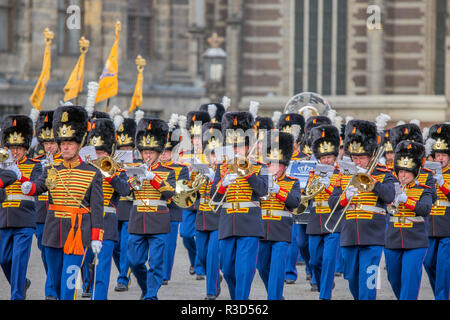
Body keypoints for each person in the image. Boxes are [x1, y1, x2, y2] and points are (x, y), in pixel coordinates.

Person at [21, 105, 104, 300]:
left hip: (77, 234)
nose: (65, 147)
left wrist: (96, 236)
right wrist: (28, 186)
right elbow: (39, 186)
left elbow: (97, 208)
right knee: (52, 283)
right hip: (53, 230)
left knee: (69, 281)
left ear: (79, 144)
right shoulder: (51, 168)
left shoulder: (93, 172)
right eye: (63, 143)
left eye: (71, 143)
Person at [328, 119, 395, 300]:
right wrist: (345, 196)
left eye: (362, 158)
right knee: (352, 278)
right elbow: (332, 203)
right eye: (355, 158)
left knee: (370, 281)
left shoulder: (383, 172)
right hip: (349, 233)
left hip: (373, 234)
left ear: (371, 155)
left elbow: (390, 196)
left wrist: (372, 182)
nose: (358, 162)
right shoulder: (344, 174)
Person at [210, 111, 268, 300]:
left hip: (250, 224)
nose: (236, 150)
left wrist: (248, 173)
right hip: (228, 224)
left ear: (249, 147)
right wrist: (223, 184)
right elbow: (214, 199)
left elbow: (263, 191)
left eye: (240, 147)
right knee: (227, 269)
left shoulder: (260, 166)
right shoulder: (222, 167)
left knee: (244, 271)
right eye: (233, 146)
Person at [82, 118, 131, 300]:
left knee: (102, 269)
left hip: (107, 224)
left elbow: (125, 190)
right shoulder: (84, 168)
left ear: (109, 150)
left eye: (102, 151)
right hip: (86, 222)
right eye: (95, 152)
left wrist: (109, 175)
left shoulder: (117, 169)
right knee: (86, 264)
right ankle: (86, 288)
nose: (98, 155)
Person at [127, 117, 176, 300]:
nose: (147, 155)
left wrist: (153, 177)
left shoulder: (168, 172)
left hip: (158, 221)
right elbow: (124, 191)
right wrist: (133, 178)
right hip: (137, 219)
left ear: (158, 152)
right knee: (135, 261)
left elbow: (170, 193)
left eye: (151, 152)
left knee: (155, 263)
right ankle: (147, 288)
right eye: (144, 151)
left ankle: (151, 296)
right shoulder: (132, 169)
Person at [384, 141, 432, 300]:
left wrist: (406, 200)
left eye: (407, 172)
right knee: (394, 278)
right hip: (393, 240)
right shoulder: (391, 189)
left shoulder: (424, 190)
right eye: (401, 171)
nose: (403, 175)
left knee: (410, 280)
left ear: (415, 172)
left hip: (416, 242)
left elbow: (425, 209)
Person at [257, 130, 300, 300]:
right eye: (271, 165)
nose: (274, 169)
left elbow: (295, 202)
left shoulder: (292, 182)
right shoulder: (260, 181)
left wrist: (278, 190)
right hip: (261, 229)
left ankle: (273, 297)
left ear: (285, 165)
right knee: (262, 267)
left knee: (276, 269)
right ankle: (276, 295)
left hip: (281, 231)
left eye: (278, 165)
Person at [305, 124, 341, 300]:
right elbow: (308, 194)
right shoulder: (313, 173)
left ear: (335, 157)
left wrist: (328, 188)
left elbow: (340, 198)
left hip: (333, 220)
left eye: (329, 157)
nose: (326, 160)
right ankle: (322, 287)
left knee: (328, 261)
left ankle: (324, 295)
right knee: (314, 261)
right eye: (323, 157)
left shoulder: (341, 175)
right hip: (315, 220)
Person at [32, 110, 63, 300]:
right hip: (41, 215)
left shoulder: (65, 163)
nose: (49, 146)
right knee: (46, 256)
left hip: (59, 213)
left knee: (56, 255)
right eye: (46, 143)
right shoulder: (38, 163)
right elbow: (35, 186)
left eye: (52, 143)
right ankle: (53, 283)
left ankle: (52, 291)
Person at [179, 111, 210, 278]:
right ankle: (194, 260)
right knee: (185, 234)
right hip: (189, 200)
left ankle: (200, 267)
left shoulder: (211, 155)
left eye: (199, 137)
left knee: (201, 235)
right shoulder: (184, 153)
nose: (196, 140)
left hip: (205, 199)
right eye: (194, 137)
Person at [194, 122, 223, 299]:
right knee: (202, 256)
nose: (213, 157)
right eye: (210, 154)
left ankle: (210, 292)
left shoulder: (226, 169)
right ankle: (216, 276)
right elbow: (190, 189)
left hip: (218, 217)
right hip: (202, 216)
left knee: (212, 256)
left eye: (215, 154)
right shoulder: (200, 167)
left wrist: (215, 179)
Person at [160, 114, 189, 285]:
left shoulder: (181, 169)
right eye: (162, 151)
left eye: (167, 151)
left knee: (169, 245)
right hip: (155, 210)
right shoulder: (152, 168)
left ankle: (164, 273)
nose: (164, 155)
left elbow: (182, 191)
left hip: (172, 210)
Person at [423, 123, 450, 300]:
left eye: (443, 155)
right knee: (429, 263)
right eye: (437, 155)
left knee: (444, 268)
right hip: (429, 226)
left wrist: (442, 184)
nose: (440, 159)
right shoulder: (426, 173)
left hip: (448, 227)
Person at [113, 117, 137, 292]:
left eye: (128, 148)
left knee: (125, 244)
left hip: (129, 208)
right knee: (114, 246)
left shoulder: (139, 164)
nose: (125, 150)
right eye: (122, 148)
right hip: (115, 208)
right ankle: (123, 270)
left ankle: (124, 277)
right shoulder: (111, 163)